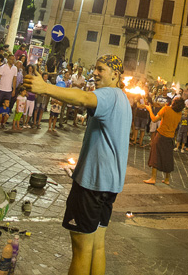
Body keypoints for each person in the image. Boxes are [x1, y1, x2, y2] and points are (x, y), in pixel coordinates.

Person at [23, 54, 132, 275]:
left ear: (116, 75)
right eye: (96, 68)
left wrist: (46, 88)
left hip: (92, 184)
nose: (96, 73)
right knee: (97, 246)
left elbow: (83, 98)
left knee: (81, 250)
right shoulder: (122, 98)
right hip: (109, 185)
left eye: (101, 69)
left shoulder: (109, 95)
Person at [144, 95, 185, 185]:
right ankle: (167, 179)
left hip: (161, 136)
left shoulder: (166, 109)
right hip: (170, 138)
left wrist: (150, 109)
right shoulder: (179, 113)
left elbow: (154, 119)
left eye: (173, 100)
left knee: (155, 155)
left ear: (174, 103)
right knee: (168, 157)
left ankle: (153, 178)